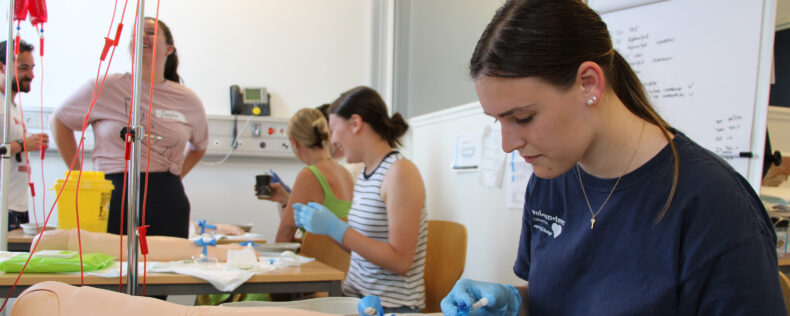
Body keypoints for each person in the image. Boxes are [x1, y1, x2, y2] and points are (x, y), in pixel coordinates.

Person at [441, 0, 787, 315]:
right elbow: (558, 299)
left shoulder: (714, 206)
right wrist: (516, 302)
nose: (507, 144)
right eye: (497, 120)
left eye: (523, 117)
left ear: (589, 84)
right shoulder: (549, 177)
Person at [51, 18, 208, 238]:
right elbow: (59, 120)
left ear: (169, 49)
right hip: (113, 193)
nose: (142, 36)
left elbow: (200, 146)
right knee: (110, 266)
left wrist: (175, 176)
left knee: (167, 268)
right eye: (136, 33)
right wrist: (78, 177)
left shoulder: (187, 100)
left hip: (167, 198)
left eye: (151, 32)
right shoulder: (105, 87)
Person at [293, 86, 428, 313]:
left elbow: (400, 262)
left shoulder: (399, 172)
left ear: (356, 123)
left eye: (334, 130)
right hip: (357, 299)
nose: (333, 141)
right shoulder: (364, 174)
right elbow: (364, 248)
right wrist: (325, 227)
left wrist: (337, 228)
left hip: (391, 307)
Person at [260, 108, 354, 242]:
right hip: (343, 261)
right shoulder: (346, 174)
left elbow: (283, 239)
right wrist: (285, 199)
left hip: (318, 262)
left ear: (294, 142)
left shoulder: (309, 175)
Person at [0, 40, 48, 231]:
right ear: (2, 67)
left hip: (18, 205)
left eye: (32, 68)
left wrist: (28, 143)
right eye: (23, 68)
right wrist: (23, 144)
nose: (31, 75)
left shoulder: (15, 108)